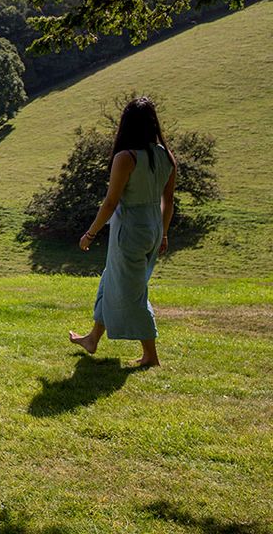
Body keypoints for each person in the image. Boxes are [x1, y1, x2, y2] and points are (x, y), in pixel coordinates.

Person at [70, 97, 176, 367]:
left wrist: (90, 234)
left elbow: (110, 202)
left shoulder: (126, 158)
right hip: (152, 226)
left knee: (133, 292)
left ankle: (151, 355)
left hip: (130, 229)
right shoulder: (165, 156)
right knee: (111, 280)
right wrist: (163, 233)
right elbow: (169, 201)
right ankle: (92, 338)